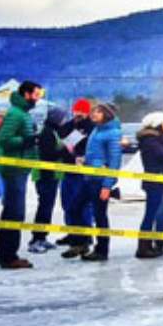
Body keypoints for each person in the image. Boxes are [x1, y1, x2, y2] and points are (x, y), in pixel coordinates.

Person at [61, 101, 122, 262]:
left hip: (100, 180)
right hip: (89, 177)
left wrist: (108, 186)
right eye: (93, 111)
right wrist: (84, 159)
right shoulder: (96, 129)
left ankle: (102, 250)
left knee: (100, 215)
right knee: (74, 208)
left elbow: (115, 161)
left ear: (107, 115)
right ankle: (81, 242)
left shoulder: (113, 133)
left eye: (98, 112)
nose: (94, 114)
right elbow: (97, 154)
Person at [0, 81, 42, 269]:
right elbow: (5, 140)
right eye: (35, 95)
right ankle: (9, 256)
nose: (37, 98)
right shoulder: (16, 114)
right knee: (14, 213)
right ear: (26, 94)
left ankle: (6, 253)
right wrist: (28, 140)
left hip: (21, 169)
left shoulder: (22, 113)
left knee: (13, 212)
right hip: (13, 170)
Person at [136, 111, 163, 259]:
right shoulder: (150, 140)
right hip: (155, 180)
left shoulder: (154, 139)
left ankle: (146, 245)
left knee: (152, 212)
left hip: (158, 179)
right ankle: (143, 247)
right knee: (150, 214)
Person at [27, 107, 70, 254]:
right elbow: (48, 154)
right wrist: (65, 150)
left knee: (47, 207)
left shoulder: (52, 131)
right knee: (44, 208)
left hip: (52, 175)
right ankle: (36, 239)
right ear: (56, 119)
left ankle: (42, 237)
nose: (64, 121)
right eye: (62, 118)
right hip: (46, 175)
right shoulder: (47, 133)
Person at [56, 99, 94, 250]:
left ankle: (86, 234)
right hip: (67, 168)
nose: (78, 114)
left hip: (82, 171)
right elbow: (61, 144)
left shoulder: (92, 127)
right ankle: (72, 232)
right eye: (76, 111)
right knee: (67, 203)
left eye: (82, 112)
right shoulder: (67, 126)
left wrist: (79, 153)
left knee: (83, 204)